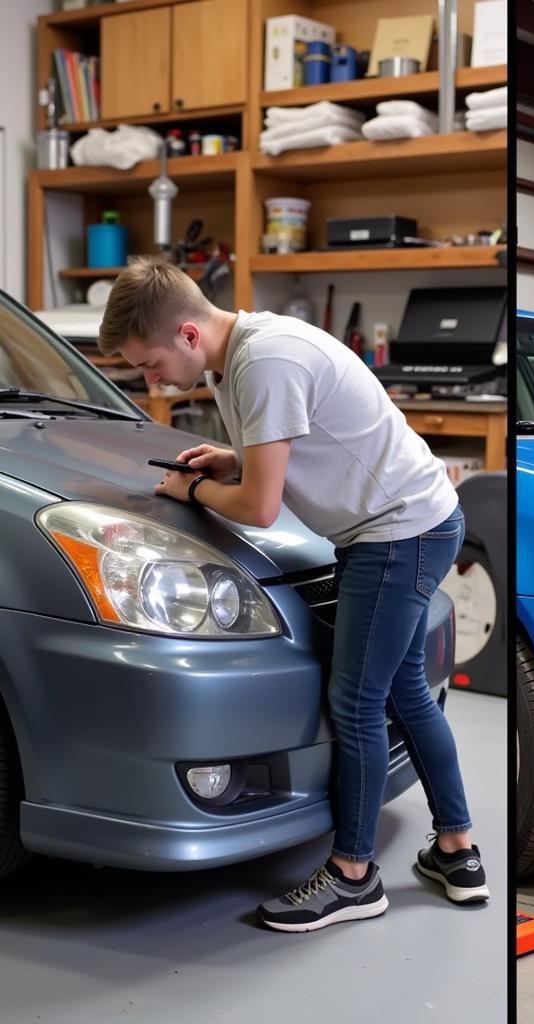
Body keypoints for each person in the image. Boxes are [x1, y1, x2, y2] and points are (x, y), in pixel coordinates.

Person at [97, 257, 489, 931]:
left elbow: (257, 504)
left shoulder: (264, 363)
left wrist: (192, 489)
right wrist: (230, 458)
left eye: (152, 364)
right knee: (402, 693)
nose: (152, 382)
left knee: (357, 699)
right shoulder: (243, 352)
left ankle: (354, 877)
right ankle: (457, 850)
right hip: (409, 522)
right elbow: (283, 450)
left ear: (188, 335)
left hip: (398, 534)